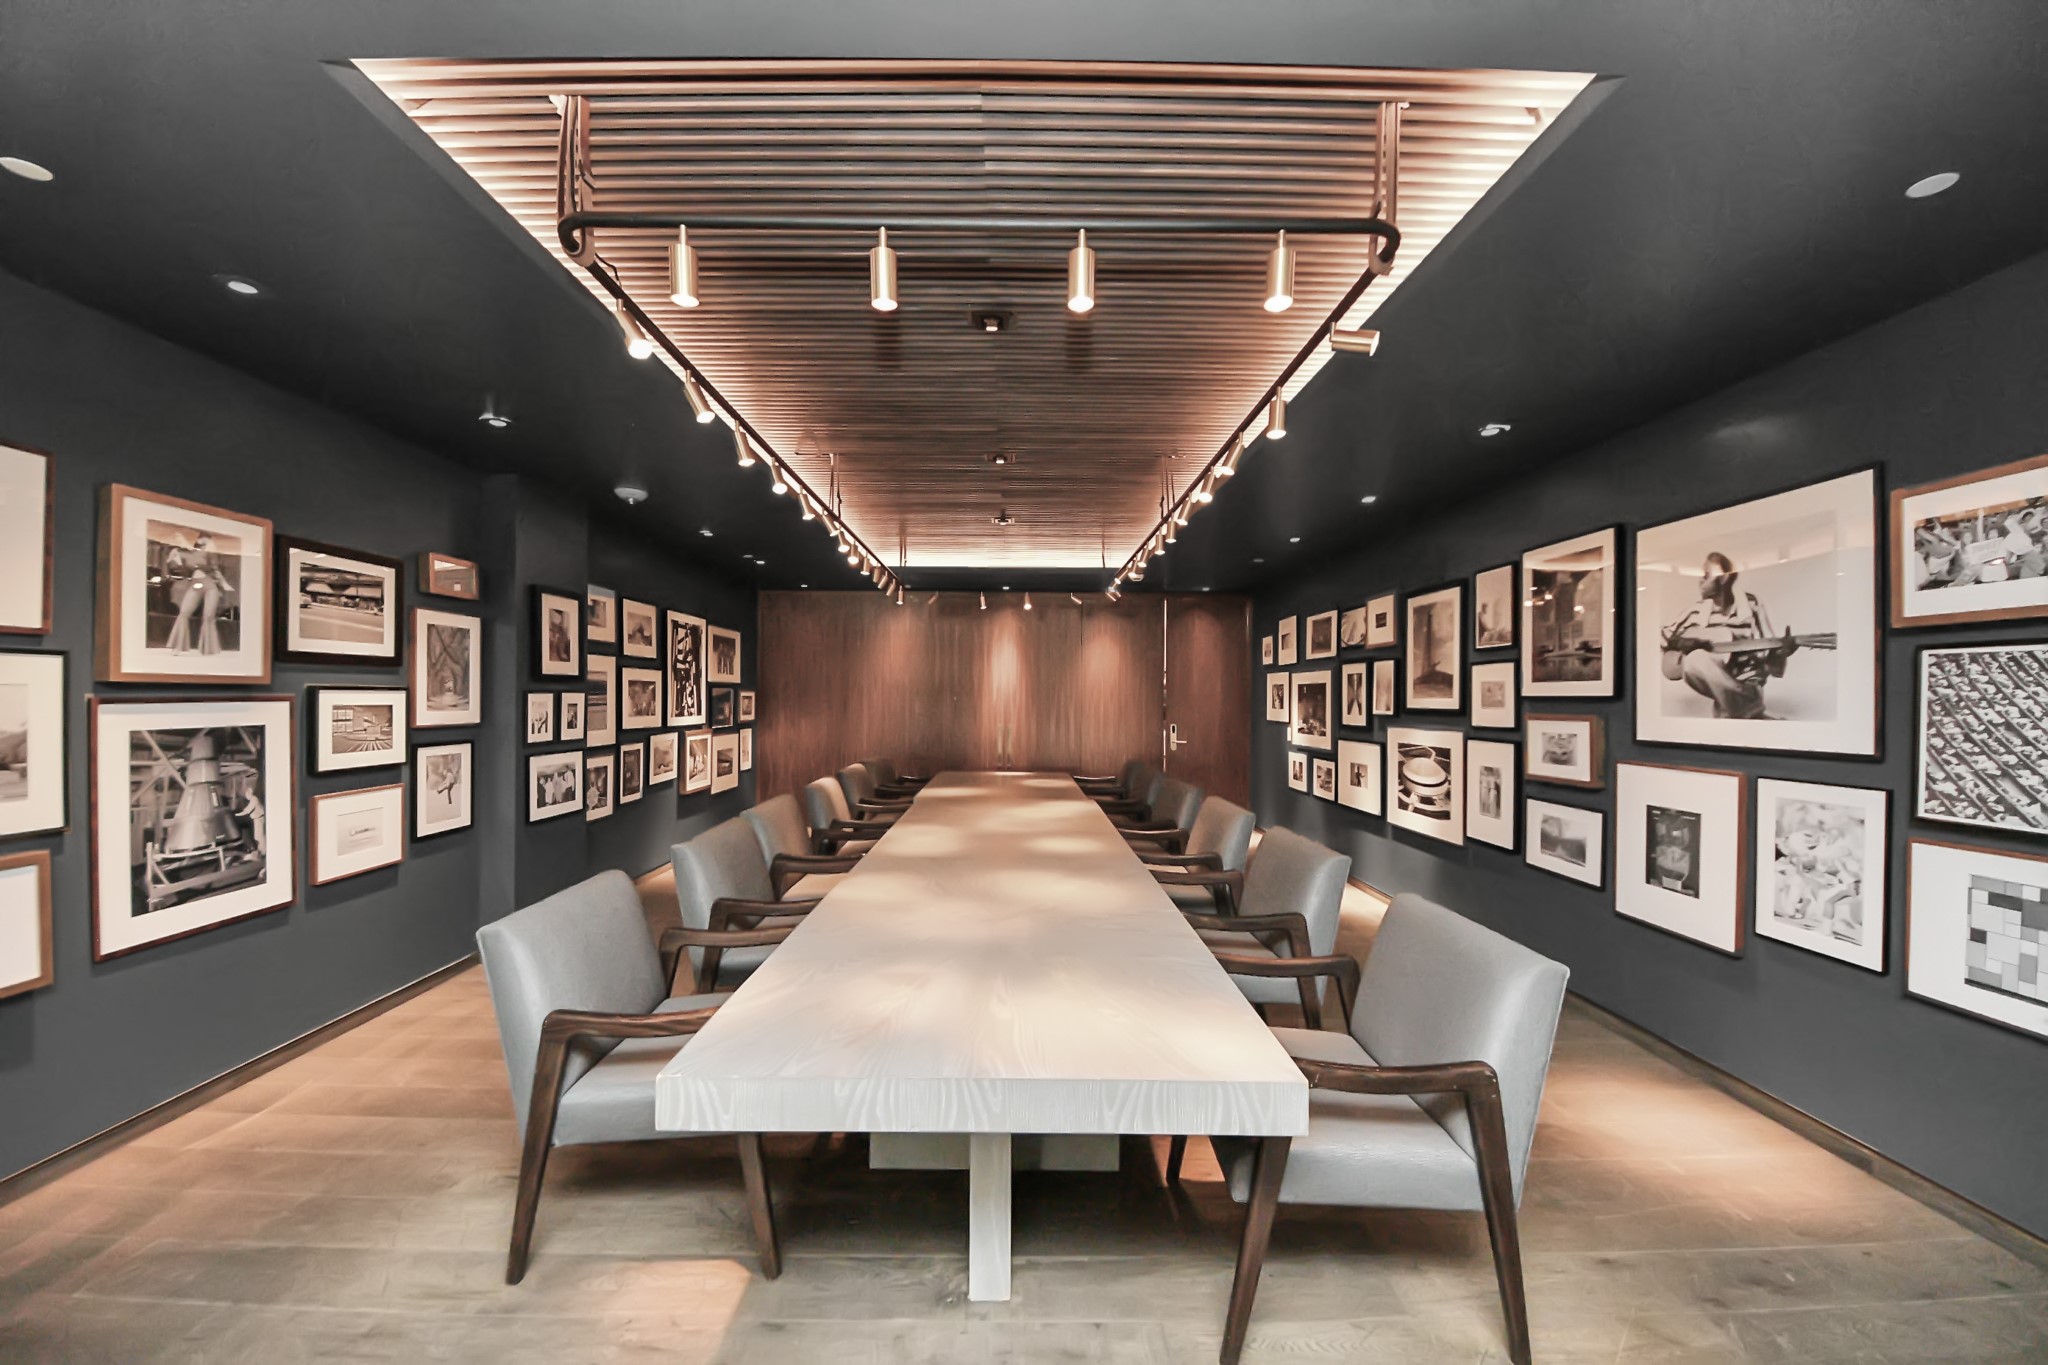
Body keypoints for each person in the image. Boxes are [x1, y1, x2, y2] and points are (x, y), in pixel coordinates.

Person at [1659, 552, 1797, 720]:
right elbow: (1662, 635)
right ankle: (1751, 709)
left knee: (1731, 726)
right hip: (1725, 695)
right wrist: (1681, 642)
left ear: (1723, 578)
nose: (1700, 581)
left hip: (1747, 684)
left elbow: (1768, 657)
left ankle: (1748, 708)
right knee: (1694, 660)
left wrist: (1781, 653)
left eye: (1706, 575)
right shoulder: (1697, 612)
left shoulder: (1751, 605)